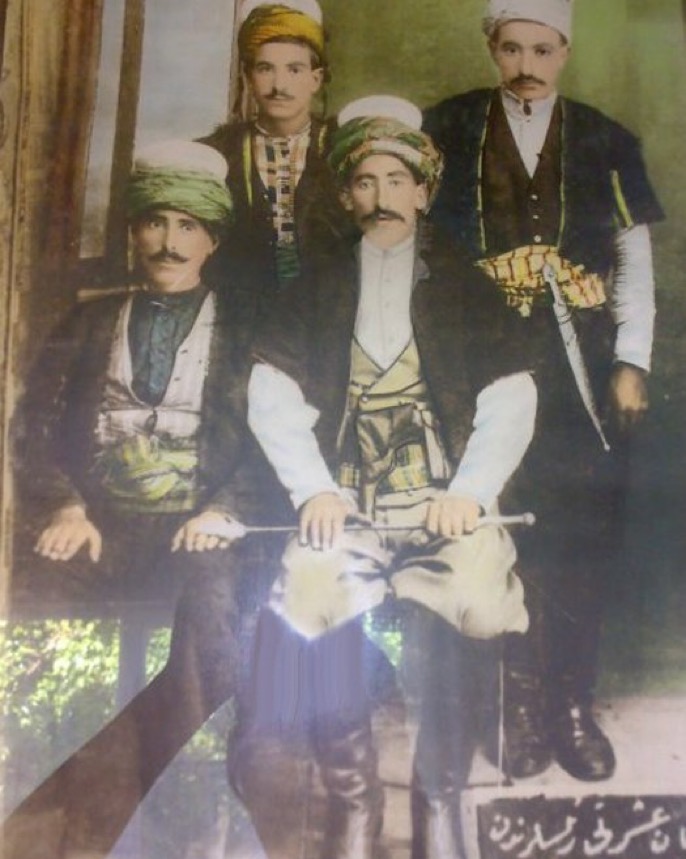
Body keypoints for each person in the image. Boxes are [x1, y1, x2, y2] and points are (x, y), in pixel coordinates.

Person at [241, 95, 536, 859]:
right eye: (364, 183)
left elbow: (511, 394)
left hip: (445, 497)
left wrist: (470, 490)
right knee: (308, 597)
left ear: (423, 190)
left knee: (473, 600)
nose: (381, 198)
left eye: (396, 180)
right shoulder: (313, 288)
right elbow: (272, 392)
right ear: (345, 195)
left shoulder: (465, 285)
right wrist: (314, 489)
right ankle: (357, 803)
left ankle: (440, 796)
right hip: (348, 502)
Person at [4, 140, 286, 858]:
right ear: (133, 233)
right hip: (101, 527)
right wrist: (64, 503)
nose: (168, 242)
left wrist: (225, 507)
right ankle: (28, 773)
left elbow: (275, 440)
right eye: (154, 222)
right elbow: (32, 422)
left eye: (187, 226)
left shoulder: (249, 331)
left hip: (201, 528)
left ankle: (77, 815)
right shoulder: (89, 323)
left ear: (212, 240)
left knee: (217, 638)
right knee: (19, 590)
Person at [423, 0, 664, 783]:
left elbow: (634, 267)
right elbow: (409, 243)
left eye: (543, 50)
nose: (527, 64)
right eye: (511, 48)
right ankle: (515, 705)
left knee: (577, 537)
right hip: (473, 366)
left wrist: (630, 362)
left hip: (579, 375)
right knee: (494, 529)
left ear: (563, 53)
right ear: (491, 47)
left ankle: (569, 703)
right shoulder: (446, 128)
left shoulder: (606, 139)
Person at [201, 0, 351, 303]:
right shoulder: (216, 154)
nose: (279, 85)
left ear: (315, 79)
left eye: (294, 69)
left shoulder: (344, 150)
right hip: (236, 319)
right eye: (265, 69)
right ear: (248, 77)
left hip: (329, 318)